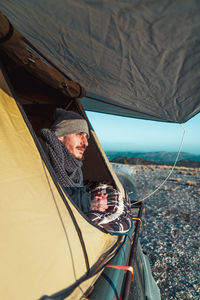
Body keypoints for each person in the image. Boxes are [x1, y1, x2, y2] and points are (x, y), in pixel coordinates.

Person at [40, 108, 132, 233]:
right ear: (60, 136)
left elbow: (73, 189)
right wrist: (89, 203)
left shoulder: (73, 165)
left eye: (86, 137)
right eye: (79, 134)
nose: (86, 143)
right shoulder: (43, 156)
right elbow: (45, 195)